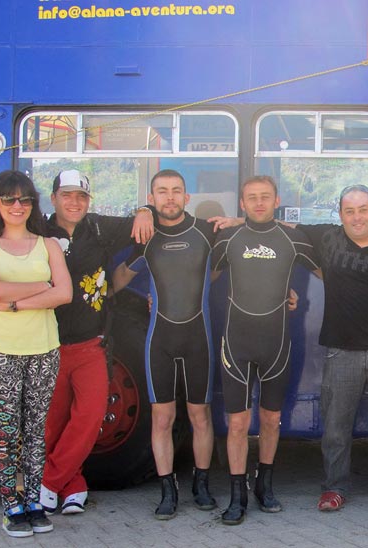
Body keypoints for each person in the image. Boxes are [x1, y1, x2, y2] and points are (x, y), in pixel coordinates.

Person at [293, 185, 368, 514]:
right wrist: (237, 221)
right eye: (350, 211)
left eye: (363, 209)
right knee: (335, 427)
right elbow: (280, 226)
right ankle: (334, 488)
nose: (357, 216)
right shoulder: (329, 239)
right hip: (341, 351)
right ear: (340, 215)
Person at [39, 170, 155, 516]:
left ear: (89, 201)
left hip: (92, 343)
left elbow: (141, 228)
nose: (74, 202)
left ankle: (46, 484)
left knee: (89, 417)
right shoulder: (37, 232)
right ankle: (73, 486)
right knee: (52, 423)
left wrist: (145, 209)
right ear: (54, 198)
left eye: (81, 197)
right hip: (48, 342)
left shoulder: (101, 228)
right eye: (67, 195)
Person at [209, 176, 320, 525]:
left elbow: (329, 275)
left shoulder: (292, 238)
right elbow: (196, 278)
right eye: (252, 198)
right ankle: (237, 495)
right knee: (238, 423)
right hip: (237, 343)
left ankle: (264, 486)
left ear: (277, 200)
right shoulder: (228, 238)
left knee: (271, 419)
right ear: (242, 203)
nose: (259, 203)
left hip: (277, 344)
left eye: (265, 197)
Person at [0, 170, 72, 538]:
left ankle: (32, 502)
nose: (17, 206)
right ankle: (10, 506)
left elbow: (65, 294)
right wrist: (41, 285)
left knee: (36, 431)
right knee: (7, 429)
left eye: (25, 199)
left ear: (33, 204)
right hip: (1, 350)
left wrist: (12, 302)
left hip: (44, 347)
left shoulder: (49, 245)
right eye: (9, 199)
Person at [112, 169, 218, 520]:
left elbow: (239, 260)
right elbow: (117, 281)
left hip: (198, 337)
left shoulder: (206, 232)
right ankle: (167, 490)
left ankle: (200, 486)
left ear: (187, 197)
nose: (169, 197)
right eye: (162, 192)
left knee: (200, 415)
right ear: (152, 198)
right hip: (160, 339)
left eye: (176, 191)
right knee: (162, 417)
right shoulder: (147, 237)